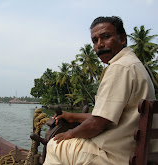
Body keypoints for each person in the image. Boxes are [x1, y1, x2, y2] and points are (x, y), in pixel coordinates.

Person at [43, 16, 156, 165]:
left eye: (106, 37)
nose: (100, 45)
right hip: (133, 151)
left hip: (114, 157)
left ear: (122, 39)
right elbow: (107, 116)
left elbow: (96, 124)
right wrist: (74, 117)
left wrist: (69, 133)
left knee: (54, 144)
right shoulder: (133, 64)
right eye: (95, 41)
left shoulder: (119, 67)